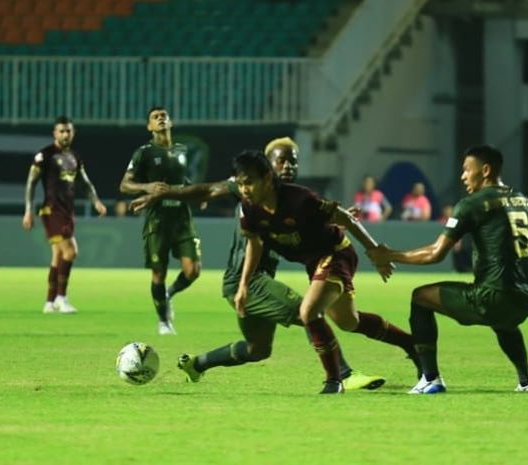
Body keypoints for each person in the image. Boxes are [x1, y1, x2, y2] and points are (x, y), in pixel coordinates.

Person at [131, 137, 386, 391]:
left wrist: (333, 224)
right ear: (266, 167)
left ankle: (196, 365)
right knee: (307, 312)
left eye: (292, 162)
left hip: (253, 282)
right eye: (281, 161)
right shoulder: (246, 187)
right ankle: (343, 374)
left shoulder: (293, 199)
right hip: (247, 280)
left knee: (258, 350)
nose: (287, 167)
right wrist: (164, 194)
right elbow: (208, 190)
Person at [368, 145, 528, 394]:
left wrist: (390, 255)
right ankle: (527, 380)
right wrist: (526, 283)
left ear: (485, 170)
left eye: (467, 169)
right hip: (525, 299)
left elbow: (436, 254)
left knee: (420, 298)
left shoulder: (472, 204)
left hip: (490, 297)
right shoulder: (527, 203)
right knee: (504, 321)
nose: (463, 176)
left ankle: (430, 378)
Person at [232, 150, 420, 394]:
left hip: (336, 254)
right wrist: (244, 285)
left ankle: (334, 381)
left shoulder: (300, 200)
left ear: (267, 178)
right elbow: (254, 244)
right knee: (348, 321)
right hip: (315, 262)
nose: (244, 189)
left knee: (308, 312)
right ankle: (411, 344)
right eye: (240, 184)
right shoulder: (249, 210)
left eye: (249, 182)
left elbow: (347, 220)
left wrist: (375, 254)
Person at [119, 107, 201, 335]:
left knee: (193, 270)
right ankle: (164, 321)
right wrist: (146, 186)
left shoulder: (182, 150)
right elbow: (124, 185)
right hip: (157, 220)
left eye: (164, 116)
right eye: (155, 117)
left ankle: (169, 293)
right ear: (149, 127)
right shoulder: (144, 153)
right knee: (158, 273)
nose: (161, 119)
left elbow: (182, 179)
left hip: (182, 218)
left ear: (170, 122)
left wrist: (197, 194)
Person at [22, 115, 107, 314]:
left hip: (67, 212)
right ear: (54, 133)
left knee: (58, 256)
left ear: (73, 133)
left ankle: (49, 302)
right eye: (61, 131)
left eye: (68, 131)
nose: (65, 134)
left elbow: (85, 183)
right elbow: (31, 183)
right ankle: (62, 297)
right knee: (71, 252)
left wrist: (96, 201)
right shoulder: (45, 155)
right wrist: (28, 210)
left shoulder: (74, 157)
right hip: (52, 210)